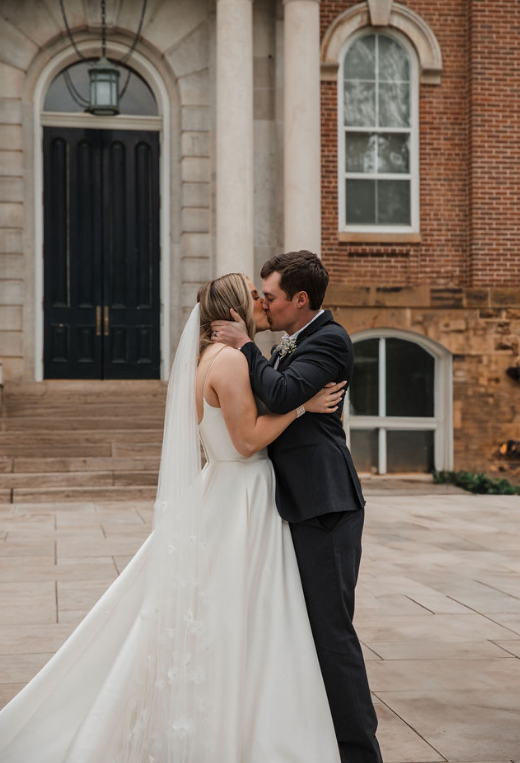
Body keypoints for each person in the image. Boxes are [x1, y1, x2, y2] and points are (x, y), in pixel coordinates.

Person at [0, 272, 346, 763]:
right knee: (241, 613)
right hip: (241, 490)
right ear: (233, 310)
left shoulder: (205, 359)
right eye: (252, 294)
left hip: (225, 487)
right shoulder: (227, 362)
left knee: (231, 609)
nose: (260, 301)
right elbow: (246, 440)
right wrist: (301, 409)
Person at [211, 251, 384, 763]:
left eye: (271, 296)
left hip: (324, 503)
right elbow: (273, 399)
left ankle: (359, 753)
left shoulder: (329, 339)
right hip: (294, 503)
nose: (264, 303)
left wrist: (245, 346)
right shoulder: (291, 343)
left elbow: (282, 392)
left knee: (332, 633)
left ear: (300, 300)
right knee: (303, 630)